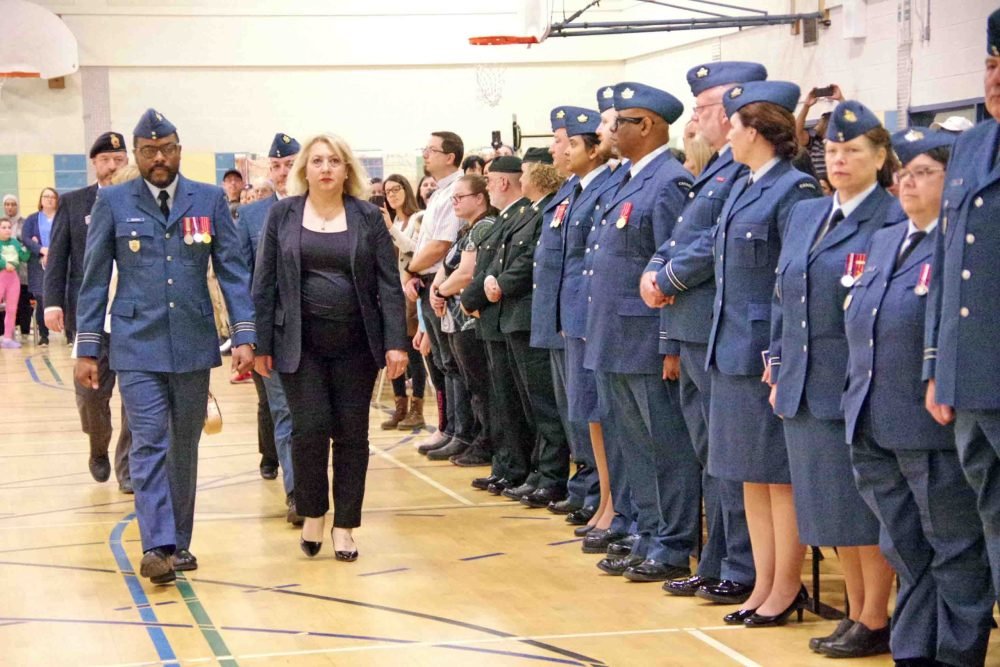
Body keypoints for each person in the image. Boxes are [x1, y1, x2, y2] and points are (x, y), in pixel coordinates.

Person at [74, 108, 256, 584]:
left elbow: (234, 271)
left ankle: (180, 542)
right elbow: (93, 282)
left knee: (184, 446)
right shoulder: (114, 203)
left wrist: (244, 334)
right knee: (149, 441)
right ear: (136, 155)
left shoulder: (209, 199)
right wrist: (88, 349)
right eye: (150, 151)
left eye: (168, 149)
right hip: (135, 344)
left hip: (194, 342)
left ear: (179, 150)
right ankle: (157, 544)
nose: (160, 158)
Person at [845, 127, 994, 665]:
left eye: (924, 172)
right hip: (872, 418)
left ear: (953, 180)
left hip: (927, 423)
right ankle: (913, 650)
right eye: (903, 173)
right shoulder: (886, 239)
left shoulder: (957, 243)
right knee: (904, 547)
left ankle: (955, 654)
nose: (908, 183)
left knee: (954, 549)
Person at [771, 100, 897, 652]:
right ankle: (856, 610)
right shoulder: (808, 214)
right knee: (830, 505)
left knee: (865, 505)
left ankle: (875, 615)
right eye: (834, 151)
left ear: (881, 157)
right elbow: (783, 294)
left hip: (856, 381)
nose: (840, 161)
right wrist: (776, 362)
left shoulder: (889, 218)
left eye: (854, 152)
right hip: (804, 378)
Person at [642, 61, 767, 606]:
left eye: (705, 109)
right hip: (692, 328)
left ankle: (739, 564)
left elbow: (714, 242)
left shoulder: (745, 174)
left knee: (731, 457)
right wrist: (656, 270)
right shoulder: (717, 171)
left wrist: (668, 276)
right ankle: (717, 557)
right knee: (711, 455)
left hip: (721, 328)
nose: (696, 119)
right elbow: (677, 236)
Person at [252, 133, 407, 561]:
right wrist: (259, 342)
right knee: (309, 430)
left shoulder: (367, 217)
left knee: (353, 436)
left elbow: (388, 284)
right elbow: (264, 283)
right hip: (299, 347)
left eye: (334, 161)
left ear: (346, 169)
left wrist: (396, 342)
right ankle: (314, 513)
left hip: (357, 346)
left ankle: (345, 526)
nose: (325, 168)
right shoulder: (282, 214)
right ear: (305, 169)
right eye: (317, 161)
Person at [703, 82, 821, 626]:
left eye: (734, 124)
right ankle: (762, 582)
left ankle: (785, 586)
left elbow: (790, 281)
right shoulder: (745, 185)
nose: (726, 131)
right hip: (729, 346)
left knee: (778, 475)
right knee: (748, 473)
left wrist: (778, 356)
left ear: (755, 133)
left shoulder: (794, 190)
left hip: (761, 350)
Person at [586, 82, 701, 583]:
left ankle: (672, 543)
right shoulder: (633, 180)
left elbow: (670, 266)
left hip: (646, 340)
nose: (609, 130)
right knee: (635, 445)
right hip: (616, 337)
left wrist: (669, 343)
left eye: (620, 122)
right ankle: (648, 532)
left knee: (665, 447)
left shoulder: (669, 182)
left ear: (647, 126)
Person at [925, 6, 1000, 621]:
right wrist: (936, 366)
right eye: (992, 64)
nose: (996, 78)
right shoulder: (972, 145)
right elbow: (950, 264)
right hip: (971, 377)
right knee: (992, 517)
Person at [43, 131, 134, 491]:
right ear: (94, 163)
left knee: (136, 397)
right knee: (91, 397)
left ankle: (127, 467)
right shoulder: (74, 203)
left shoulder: (140, 201)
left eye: (119, 159)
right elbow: (59, 257)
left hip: (134, 318)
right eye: (106, 160)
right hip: (93, 318)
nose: (113, 166)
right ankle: (98, 446)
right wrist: (52, 303)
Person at [482, 148, 570, 506]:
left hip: (530, 313)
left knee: (545, 405)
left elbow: (531, 261)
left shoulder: (544, 211)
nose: (523, 176)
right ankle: (537, 470)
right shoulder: (531, 212)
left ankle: (551, 475)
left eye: (528, 171)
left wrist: (499, 283)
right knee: (529, 403)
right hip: (515, 316)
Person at [531, 107, 602, 521]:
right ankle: (584, 486)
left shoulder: (597, 191)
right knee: (571, 410)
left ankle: (594, 490)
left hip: (580, 317)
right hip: (559, 315)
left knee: (587, 411)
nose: (556, 149)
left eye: (565, 141)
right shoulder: (568, 192)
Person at [237, 132, 300, 525]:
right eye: (275, 166)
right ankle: (299, 494)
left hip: (323, 331)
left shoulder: (327, 210)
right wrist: (248, 334)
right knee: (284, 412)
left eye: (289, 164)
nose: (281, 173)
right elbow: (242, 277)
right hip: (273, 332)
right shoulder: (252, 216)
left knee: (319, 418)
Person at [461, 156, 532, 494]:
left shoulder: (520, 217)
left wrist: (468, 298)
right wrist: (470, 298)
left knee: (513, 401)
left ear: (502, 182)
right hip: (492, 318)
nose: (486, 185)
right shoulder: (504, 220)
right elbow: (485, 269)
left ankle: (518, 467)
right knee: (500, 400)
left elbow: (500, 270)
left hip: (506, 314)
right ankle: (506, 465)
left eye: (488, 180)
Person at [403, 132, 467, 458]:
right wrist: (413, 271)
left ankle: (461, 432)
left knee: (453, 363)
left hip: (446, 285)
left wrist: (412, 268)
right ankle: (449, 428)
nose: (425, 155)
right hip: (429, 283)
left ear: (450, 157)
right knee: (442, 363)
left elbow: (442, 245)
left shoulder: (457, 190)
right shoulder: (439, 193)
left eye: (431, 150)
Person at [429, 174, 496, 466]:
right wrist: (435, 290)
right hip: (453, 318)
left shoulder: (484, 226)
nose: (454, 203)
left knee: (482, 385)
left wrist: (440, 290)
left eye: (460, 197)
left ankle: (487, 442)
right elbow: (447, 265)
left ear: (479, 198)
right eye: (453, 198)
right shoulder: (465, 231)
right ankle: (476, 437)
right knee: (468, 382)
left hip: (470, 320)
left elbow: (467, 273)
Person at [380, 174, 427, 430]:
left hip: (411, 295)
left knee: (413, 353)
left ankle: (417, 409)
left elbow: (415, 250)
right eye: (388, 191)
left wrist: (391, 229)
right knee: (393, 347)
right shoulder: (395, 220)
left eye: (396, 189)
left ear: (406, 190)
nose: (392, 194)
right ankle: (400, 406)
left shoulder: (418, 218)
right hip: (393, 294)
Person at [22, 187, 59, 346]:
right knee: (41, 298)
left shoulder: (62, 217)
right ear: (41, 200)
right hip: (38, 265)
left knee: (66, 297)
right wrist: (41, 250)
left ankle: (71, 335)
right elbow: (25, 238)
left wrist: (54, 252)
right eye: (46, 196)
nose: (49, 199)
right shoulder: (32, 219)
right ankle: (44, 335)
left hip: (60, 262)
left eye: (52, 197)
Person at [3, 195, 32, 338]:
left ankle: (25, 331)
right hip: (3, 271)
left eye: (13, 204)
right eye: (7, 204)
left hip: (21, 270)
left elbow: (27, 244)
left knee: (22, 301)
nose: (10, 207)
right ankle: (7, 332)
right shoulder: (2, 223)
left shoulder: (25, 223)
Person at [0, 217, 29, 348]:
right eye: (3, 227)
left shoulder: (15, 243)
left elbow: (24, 257)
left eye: (9, 227)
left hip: (13, 279)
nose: (7, 230)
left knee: (12, 309)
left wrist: (29, 246)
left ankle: (7, 338)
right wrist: (4, 264)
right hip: (1, 276)